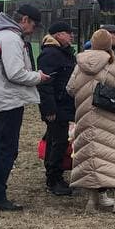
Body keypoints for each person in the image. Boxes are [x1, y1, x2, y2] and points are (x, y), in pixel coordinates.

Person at [0, 3, 51, 212]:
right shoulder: (11, 39)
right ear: (25, 20)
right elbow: (15, 73)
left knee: (0, 148)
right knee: (8, 150)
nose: (33, 30)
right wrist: (38, 77)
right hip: (7, 101)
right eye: (34, 25)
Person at [69, 29, 115, 213]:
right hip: (111, 118)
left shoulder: (80, 64)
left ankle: (92, 201)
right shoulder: (114, 65)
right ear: (109, 45)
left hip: (85, 117)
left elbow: (70, 88)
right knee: (114, 156)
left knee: (92, 156)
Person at [37, 21, 76, 196]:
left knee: (59, 140)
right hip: (57, 107)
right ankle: (53, 178)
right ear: (58, 35)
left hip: (64, 105)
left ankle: (55, 176)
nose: (71, 36)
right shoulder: (51, 54)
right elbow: (46, 85)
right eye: (68, 32)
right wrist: (49, 110)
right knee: (57, 142)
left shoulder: (63, 52)